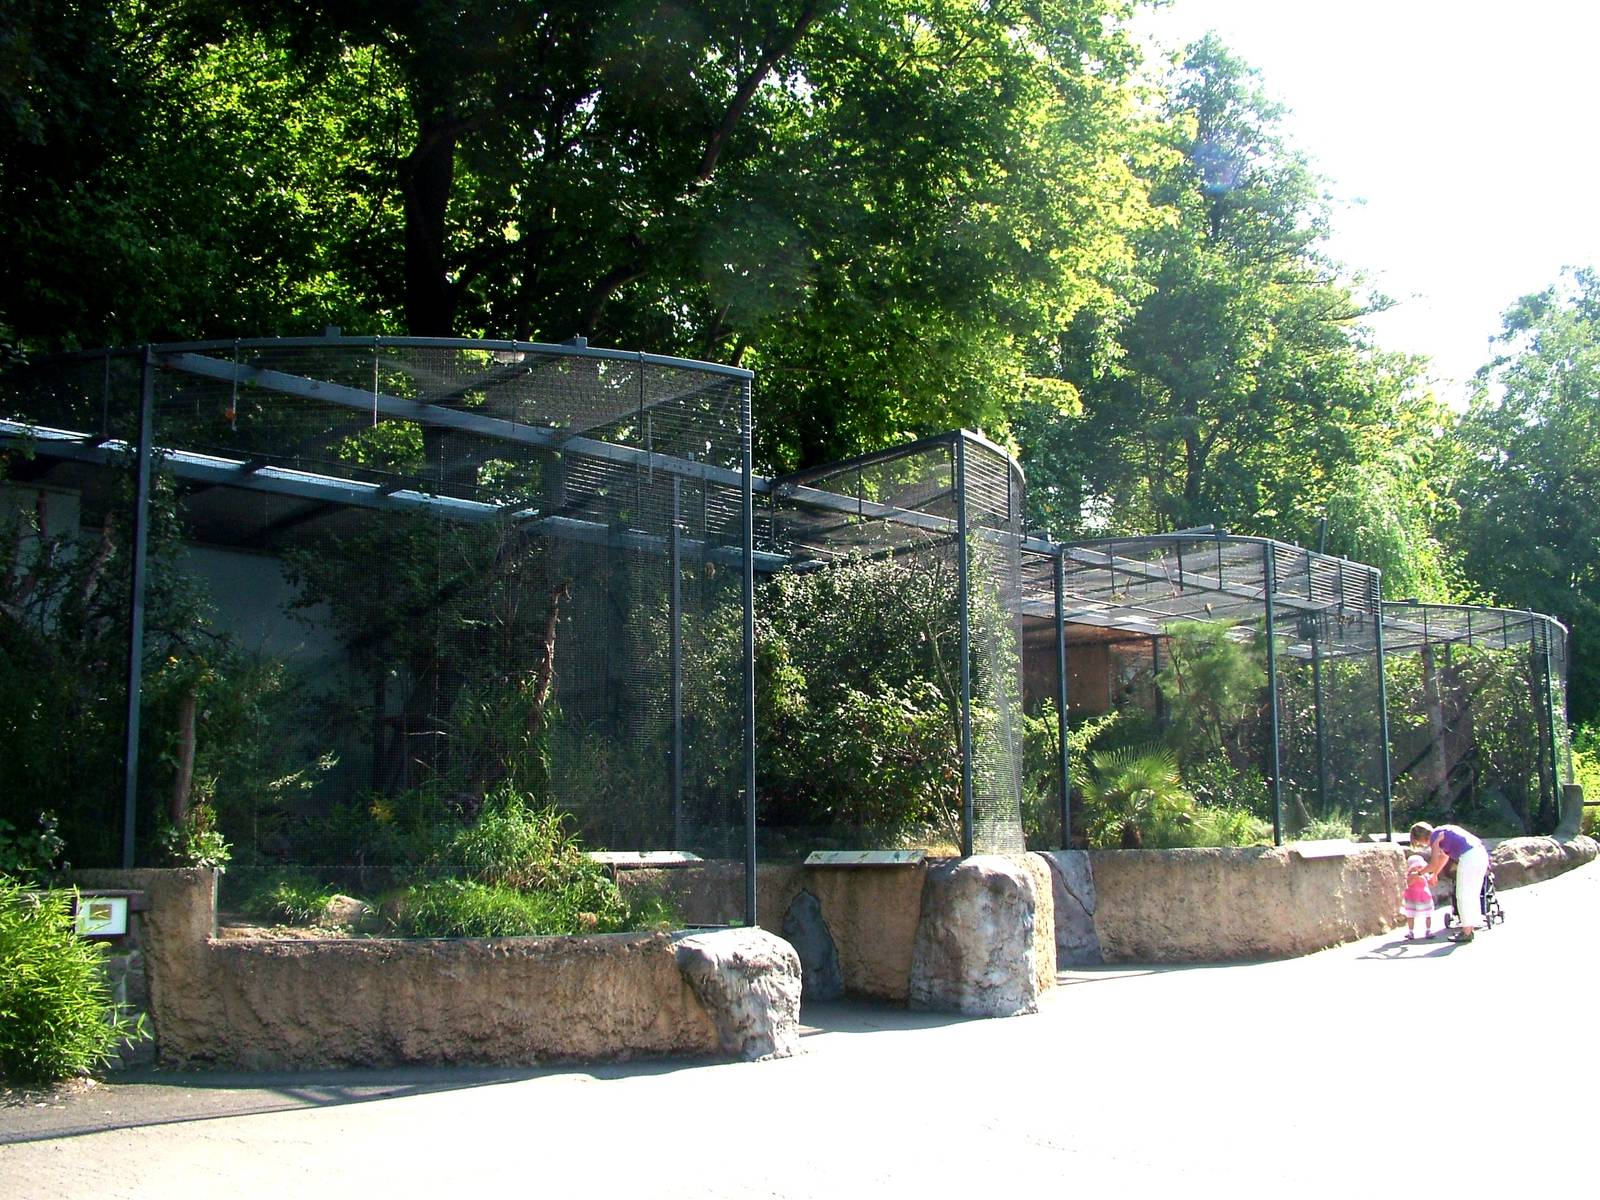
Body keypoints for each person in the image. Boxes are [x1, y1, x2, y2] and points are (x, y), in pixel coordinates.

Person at [1410, 821, 1489, 942]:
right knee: (1472, 893)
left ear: (1421, 838)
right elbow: (1444, 857)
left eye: (1420, 843)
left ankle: (1466, 932)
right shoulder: (1442, 831)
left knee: (1462, 895)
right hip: (1481, 853)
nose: (1423, 845)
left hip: (1469, 857)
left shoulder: (1434, 837)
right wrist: (1435, 874)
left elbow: (1433, 863)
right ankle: (1471, 926)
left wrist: (1418, 874)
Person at [1400, 854, 1435, 939]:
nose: (1419, 868)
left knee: (1428, 914)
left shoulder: (1424, 874)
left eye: (1420, 866)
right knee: (1410, 915)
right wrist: (1415, 876)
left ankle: (1428, 930)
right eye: (1416, 866)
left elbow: (1430, 883)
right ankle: (1411, 931)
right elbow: (1409, 883)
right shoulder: (1410, 875)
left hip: (1424, 896)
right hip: (1412, 897)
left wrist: (1431, 878)